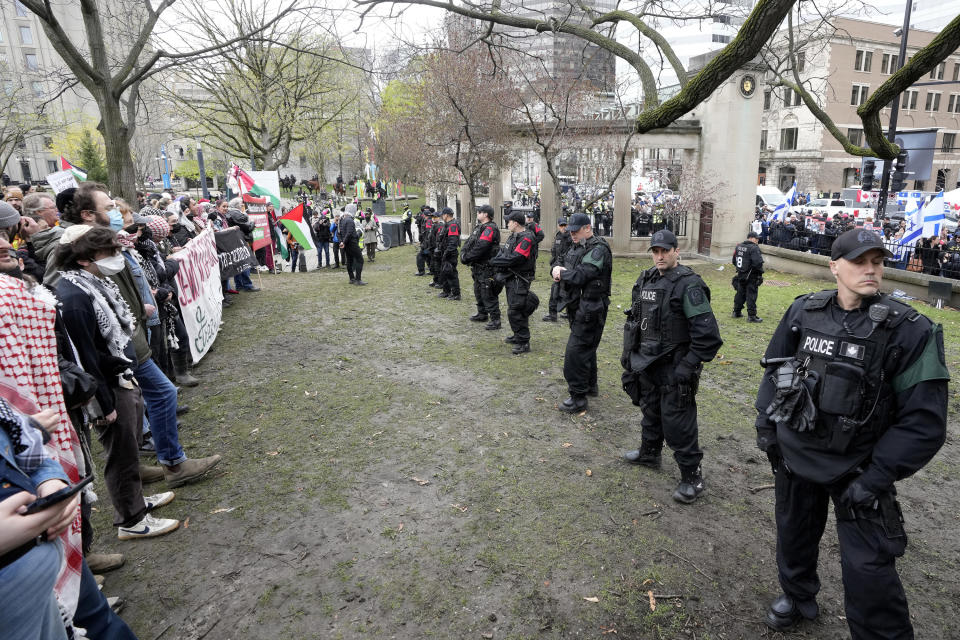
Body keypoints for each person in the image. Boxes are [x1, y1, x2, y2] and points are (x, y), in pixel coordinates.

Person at [753, 229, 949, 638]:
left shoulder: (910, 330)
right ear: (834, 266)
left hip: (859, 471)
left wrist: (876, 477)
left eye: (877, 262)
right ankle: (797, 595)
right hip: (798, 456)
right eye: (860, 261)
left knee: (870, 573)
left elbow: (924, 422)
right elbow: (777, 368)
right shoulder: (804, 312)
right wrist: (767, 428)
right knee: (794, 534)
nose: (871, 269)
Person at [620, 229, 723, 504]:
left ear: (677, 251)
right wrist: (630, 357)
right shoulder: (646, 279)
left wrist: (687, 367)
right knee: (650, 410)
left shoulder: (689, 285)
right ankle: (649, 453)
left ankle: (692, 476)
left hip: (676, 367)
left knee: (678, 423)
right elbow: (635, 320)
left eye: (665, 250)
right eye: (655, 251)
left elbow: (708, 337)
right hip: (648, 361)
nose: (660, 256)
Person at [551, 213, 612, 413]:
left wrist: (562, 273)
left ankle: (578, 397)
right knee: (586, 348)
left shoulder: (598, 249)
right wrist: (556, 269)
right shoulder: (576, 245)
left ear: (588, 227)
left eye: (576, 231)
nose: (572, 234)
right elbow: (560, 261)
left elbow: (584, 273)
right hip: (578, 306)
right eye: (571, 231)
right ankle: (589, 386)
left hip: (591, 308)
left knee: (575, 353)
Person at [490, 212, 538, 355]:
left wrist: (493, 262)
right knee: (514, 307)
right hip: (510, 277)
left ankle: (523, 342)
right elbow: (504, 253)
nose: (507, 224)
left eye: (509, 221)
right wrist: (496, 261)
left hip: (520, 278)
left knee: (516, 310)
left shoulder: (527, 238)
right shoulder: (513, 236)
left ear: (516, 223)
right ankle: (518, 335)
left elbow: (516, 258)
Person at [460, 204, 501, 328]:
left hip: (487, 267)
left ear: (486, 214)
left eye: (480, 212)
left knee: (487, 292)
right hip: (477, 266)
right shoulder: (480, 227)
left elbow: (481, 246)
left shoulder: (490, 228)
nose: (477, 214)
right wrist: (463, 253)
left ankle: (495, 320)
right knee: (478, 290)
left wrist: (467, 257)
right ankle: (482, 313)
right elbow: (470, 242)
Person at [732, 231, 764, 322]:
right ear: (751, 238)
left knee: (740, 293)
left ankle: (736, 312)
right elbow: (758, 263)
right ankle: (752, 316)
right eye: (756, 238)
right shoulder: (754, 248)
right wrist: (760, 274)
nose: (757, 240)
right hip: (751, 275)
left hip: (741, 274)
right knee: (751, 295)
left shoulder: (739, 246)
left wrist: (741, 269)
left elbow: (734, 261)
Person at [544, 218, 572, 322]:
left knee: (568, 290)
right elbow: (554, 251)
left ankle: (568, 312)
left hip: (566, 268)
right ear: (558, 226)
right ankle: (553, 314)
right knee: (555, 290)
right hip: (557, 267)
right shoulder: (558, 236)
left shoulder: (570, 237)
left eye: (565, 225)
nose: (563, 228)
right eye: (561, 225)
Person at [437, 207, 461, 300]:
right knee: (444, 272)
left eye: (443, 215)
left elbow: (453, 242)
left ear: (446, 215)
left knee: (451, 273)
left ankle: (456, 294)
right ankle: (446, 291)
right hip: (445, 252)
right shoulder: (447, 224)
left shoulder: (453, 225)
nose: (442, 216)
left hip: (450, 254)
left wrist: (447, 253)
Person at [338, 204, 365, 285]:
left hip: (346, 244)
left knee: (349, 261)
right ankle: (358, 280)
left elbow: (338, 233)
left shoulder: (341, 220)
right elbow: (349, 233)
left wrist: (342, 242)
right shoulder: (350, 220)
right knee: (360, 259)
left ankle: (352, 279)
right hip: (352, 243)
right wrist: (343, 242)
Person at [415, 208, 433, 277]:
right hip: (428, 243)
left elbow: (428, 233)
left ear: (425, 215)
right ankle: (432, 270)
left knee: (420, 256)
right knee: (428, 256)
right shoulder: (428, 220)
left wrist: (425, 244)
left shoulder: (428, 222)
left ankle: (421, 271)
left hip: (427, 244)